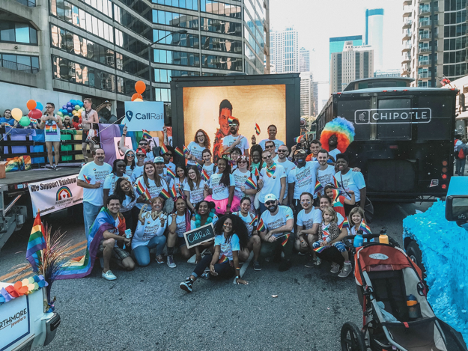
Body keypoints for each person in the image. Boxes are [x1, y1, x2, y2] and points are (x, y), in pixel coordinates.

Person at [179, 214, 249, 293]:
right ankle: (190, 281)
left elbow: (235, 258)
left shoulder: (234, 237)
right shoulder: (218, 236)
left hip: (229, 265)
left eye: (230, 224)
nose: (228, 226)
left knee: (218, 267)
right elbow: (217, 252)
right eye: (226, 223)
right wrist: (212, 264)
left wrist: (238, 276)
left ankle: (208, 274)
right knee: (207, 257)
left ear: (233, 227)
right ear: (222, 224)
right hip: (219, 260)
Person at [98, 195, 135, 280]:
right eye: (112, 204)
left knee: (130, 265)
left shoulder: (120, 217)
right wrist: (122, 238)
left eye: (117, 204)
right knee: (110, 241)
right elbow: (106, 235)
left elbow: (121, 236)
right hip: (98, 245)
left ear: (120, 205)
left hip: (113, 245)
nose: (115, 206)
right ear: (107, 206)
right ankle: (105, 270)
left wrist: (126, 238)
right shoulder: (102, 216)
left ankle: (109, 259)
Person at [77, 148, 112, 234]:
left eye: (102, 154)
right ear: (94, 155)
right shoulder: (87, 167)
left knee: (104, 226)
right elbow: (79, 182)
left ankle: (101, 245)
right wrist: (93, 186)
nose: (100, 156)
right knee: (90, 226)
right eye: (98, 154)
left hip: (104, 202)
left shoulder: (109, 167)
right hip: (91, 202)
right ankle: (91, 246)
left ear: (104, 155)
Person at [312, 206, 352, 278]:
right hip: (324, 241)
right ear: (323, 215)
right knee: (315, 245)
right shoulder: (321, 224)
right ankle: (333, 263)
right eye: (326, 214)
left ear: (333, 216)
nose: (328, 217)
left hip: (333, 240)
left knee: (341, 248)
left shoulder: (333, 224)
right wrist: (321, 241)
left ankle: (347, 262)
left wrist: (327, 241)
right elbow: (320, 233)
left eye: (330, 215)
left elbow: (335, 234)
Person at [258, 194, 294, 271]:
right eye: (268, 203)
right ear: (265, 205)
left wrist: (272, 231)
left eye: (272, 202)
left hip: (285, 235)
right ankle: (278, 252)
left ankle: (287, 259)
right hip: (274, 238)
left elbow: (289, 227)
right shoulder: (263, 215)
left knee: (288, 235)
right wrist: (268, 239)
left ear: (277, 201)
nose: (271, 204)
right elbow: (262, 234)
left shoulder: (286, 209)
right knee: (263, 252)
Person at [132, 198, 168, 266]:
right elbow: (139, 234)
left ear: (162, 206)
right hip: (140, 242)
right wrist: (142, 224)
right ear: (151, 205)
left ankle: (158, 255)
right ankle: (141, 251)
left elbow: (159, 234)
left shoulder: (164, 217)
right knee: (144, 263)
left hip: (151, 240)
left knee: (162, 238)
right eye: (155, 202)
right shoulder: (143, 215)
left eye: (159, 203)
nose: (157, 204)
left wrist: (162, 224)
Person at [233, 197, 261, 270]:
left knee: (256, 238)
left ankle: (255, 260)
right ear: (240, 205)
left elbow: (254, 230)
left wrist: (256, 232)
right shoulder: (234, 215)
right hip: (237, 242)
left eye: (248, 205)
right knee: (245, 256)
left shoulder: (253, 216)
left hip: (247, 241)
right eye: (244, 204)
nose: (246, 207)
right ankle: (233, 256)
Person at [294, 192, 322, 267]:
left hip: (319, 236)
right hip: (308, 235)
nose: (305, 202)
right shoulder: (300, 213)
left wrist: (302, 231)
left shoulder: (316, 211)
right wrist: (302, 240)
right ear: (300, 202)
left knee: (311, 236)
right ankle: (310, 252)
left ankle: (315, 258)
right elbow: (298, 231)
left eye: (307, 200)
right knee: (298, 244)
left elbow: (314, 231)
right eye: (303, 200)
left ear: (312, 201)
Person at [288, 149, 320, 213]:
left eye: (301, 155)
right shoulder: (292, 172)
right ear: (294, 158)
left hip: (313, 198)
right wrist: (291, 203)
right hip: (298, 199)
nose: (299, 157)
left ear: (305, 156)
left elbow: (324, 163)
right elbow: (291, 188)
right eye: (297, 156)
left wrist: (334, 162)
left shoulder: (313, 164)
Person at [257, 150, 286, 214]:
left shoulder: (280, 168)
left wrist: (280, 199)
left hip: (275, 200)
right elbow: (261, 187)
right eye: (265, 157)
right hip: (263, 200)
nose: (267, 158)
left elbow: (283, 185)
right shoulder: (262, 170)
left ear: (272, 156)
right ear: (263, 159)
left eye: (269, 156)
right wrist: (259, 183)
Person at [166, 197, 192, 267]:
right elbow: (172, 230)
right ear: (175, 206)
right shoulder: (171, 216)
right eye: (178, 204)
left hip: (184, 237)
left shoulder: (188, 213)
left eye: (182, 203)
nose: (180, 206)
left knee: (186, 255)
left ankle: (180, 248)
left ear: (186, 205)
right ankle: (170, 256)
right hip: (175, 237)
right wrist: (174, 219)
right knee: (172, 234)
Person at [38, 102, 63, 170]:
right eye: (46, 107)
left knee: (56, 151)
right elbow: (41, 127)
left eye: (49, 107)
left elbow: (61, 127)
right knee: (49, 151)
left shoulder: (57, 116)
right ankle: (51, 165)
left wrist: (56, 120)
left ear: (53, 108)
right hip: (48, 135)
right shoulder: (43, 116)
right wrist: (43, 121)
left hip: (55, 135)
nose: (47, 109)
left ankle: (56, 164)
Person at [213, 99, 233, 163]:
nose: (226, 122)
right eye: (223, 118)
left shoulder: (237, 140)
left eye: (228, 118)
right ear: (219, 119)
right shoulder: (216, 142)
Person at [81, 97, 99, 162]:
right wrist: (81, 125)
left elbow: (97, 122)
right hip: (84, 130)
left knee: (91, 147)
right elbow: (82, 121)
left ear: (90, 103)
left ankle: (93, 160)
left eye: (86, 102)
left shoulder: (94, 112)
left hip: (91, 130)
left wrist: (89, 122)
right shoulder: (82, 112)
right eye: (84, 102)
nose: (84, 104)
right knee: (83, 147)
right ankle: (86, 160)